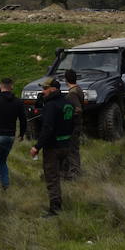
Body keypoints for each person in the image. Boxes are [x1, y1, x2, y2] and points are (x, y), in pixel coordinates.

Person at [29, 78, 75, 217]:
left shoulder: (50, 106)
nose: (43, 92)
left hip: (53, 147)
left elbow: (47, 128)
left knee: (52, 178)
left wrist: (37, 147)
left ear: (53, 89)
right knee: (61, 176)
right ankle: (59, 203)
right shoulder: (68, 102)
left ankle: (55, 209)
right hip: (66, 145)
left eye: (45, 88)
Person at [62, 69, 85, 179]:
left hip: (74, 124)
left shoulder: (72, 93)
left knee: (72, 149)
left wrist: (67, 114)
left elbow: (78, 109)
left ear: (66, 79)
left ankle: (75, 173)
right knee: (73, 148)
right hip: (78, 124)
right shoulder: (78, 89)